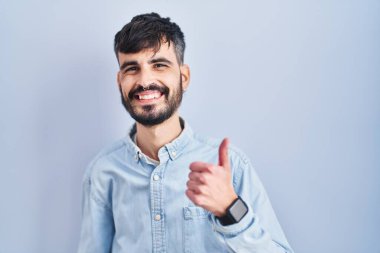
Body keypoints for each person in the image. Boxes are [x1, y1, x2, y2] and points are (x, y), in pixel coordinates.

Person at [78, 12, 294, 253]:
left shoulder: (230, 166)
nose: (145, 80)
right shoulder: (103, 172)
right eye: (132, 68)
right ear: (120, 81)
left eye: (159, 65)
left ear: (184, 77)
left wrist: (230, 209)